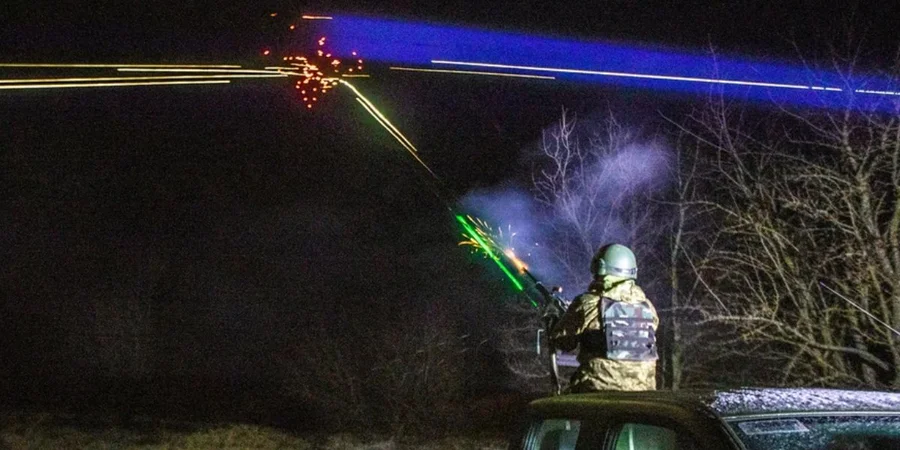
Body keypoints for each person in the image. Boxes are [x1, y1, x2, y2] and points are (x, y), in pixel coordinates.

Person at [549, 244, 659, 392]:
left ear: (600, 269)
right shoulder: (648, 307)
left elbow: (563, 342)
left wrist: (556, 319)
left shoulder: (588, 303)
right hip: (643, 393)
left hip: (597, 392)